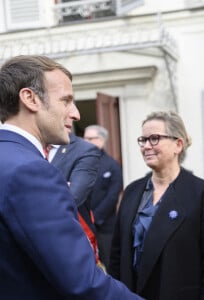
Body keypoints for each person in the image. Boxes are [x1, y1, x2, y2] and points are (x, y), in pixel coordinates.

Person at [0, 55, 143, 299]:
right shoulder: (31, 172)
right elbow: (83, 282)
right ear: (30, 99)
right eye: (66, 100)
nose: (75, 114)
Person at [109, 111, 204, 300]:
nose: (146, 146)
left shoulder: (203, 194)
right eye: (143, 140)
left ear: (178, 145)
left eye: (154, 139)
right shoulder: (132, 192)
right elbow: (116, 255)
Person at [50, 132, 102, 264]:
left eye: (92, 137)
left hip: (70, 236)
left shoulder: (84, 150)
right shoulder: (26, 147)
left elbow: (74, 196)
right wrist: (61, 185)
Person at [84, 125, 123, 268]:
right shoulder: (80, 162)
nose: (85, 140)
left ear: (101, 140)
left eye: (89, 138)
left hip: (105, 226)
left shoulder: (112, 165)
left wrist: (95, 217)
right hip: (82, 224)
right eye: (85, 137)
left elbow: (113, 195)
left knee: (110, 264)